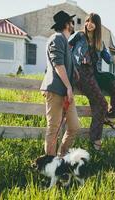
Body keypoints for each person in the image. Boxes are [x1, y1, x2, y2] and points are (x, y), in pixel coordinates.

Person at [69, 13, 115, 151]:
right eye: (88, 21)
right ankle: (95, 140)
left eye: (93, 22)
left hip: (94, 73)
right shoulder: (78, 36)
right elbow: (66, 48)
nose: (89, 24)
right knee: (101, 104)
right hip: (81, 73)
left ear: (97, 25)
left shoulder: (100, 42)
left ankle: (110, 117)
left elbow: (110, 60)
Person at [40, 10, 80, 157]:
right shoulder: (57, 38)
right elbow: (57, 64)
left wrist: (74, 69)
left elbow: (63, 61)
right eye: (71, 22)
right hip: (56, 90)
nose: (73, 25)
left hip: (65, 92)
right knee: (54, 128)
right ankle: (49, 166)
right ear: (66, 24)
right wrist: (69, 87)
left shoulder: (64, 41)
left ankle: (61, 158)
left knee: (74, 126)